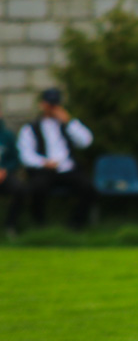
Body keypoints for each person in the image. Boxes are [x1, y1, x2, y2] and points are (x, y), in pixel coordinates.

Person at [17, 87, 94, 229]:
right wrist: (43, 162)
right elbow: (25, 155)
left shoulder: (68, 125)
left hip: (68, 169)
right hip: (45, 170)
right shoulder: (31, 128)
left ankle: (76, 225)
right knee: (37, 188)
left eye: (55, 105)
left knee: (87, 187)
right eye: (50, 105)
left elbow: (86, 142)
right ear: (42, 105)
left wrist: (69, 122)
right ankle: (39, 225)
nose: (52, 108)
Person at [0, 107, 25, 238]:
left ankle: (10, 226)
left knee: (19, 189)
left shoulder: (7, 135)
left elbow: (15, 159)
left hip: (4, 175)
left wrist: (5, 170)